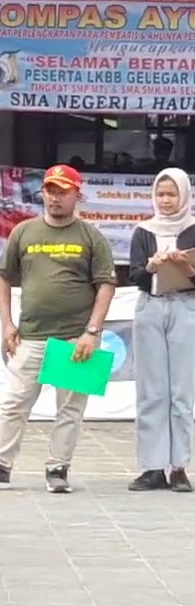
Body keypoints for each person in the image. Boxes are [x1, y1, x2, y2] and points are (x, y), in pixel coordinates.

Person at [0, 164, 116, 494]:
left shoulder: (92, 236)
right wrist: (7, 323)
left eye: (63, 191)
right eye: (50, 190)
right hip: (31, 335)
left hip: (76, 338)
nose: (55, 198)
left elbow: (106, 285)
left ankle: (58, 468)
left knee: (70, 409)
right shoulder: (24, 232)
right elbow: (3, 277)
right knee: (14, 403)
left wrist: (92, 332)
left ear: (78, 195)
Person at [126, 167, 195, 492]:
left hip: (185, 306)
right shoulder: (143, 230)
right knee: (151, 390)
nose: (165, 201)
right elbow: (135, 276)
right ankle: (152, 467)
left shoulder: (193, 229)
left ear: (184, 195)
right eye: (161, 194)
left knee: (181, 392)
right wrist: (151, 266)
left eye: (172, 194)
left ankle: (179, 466)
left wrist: (186, 266)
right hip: (151, 307)